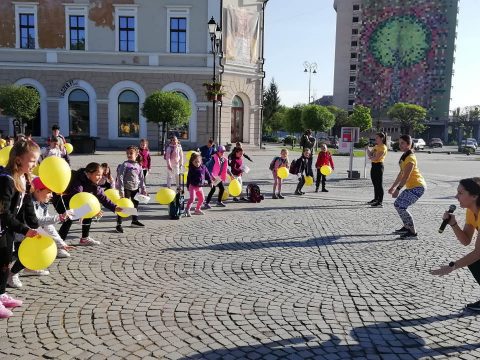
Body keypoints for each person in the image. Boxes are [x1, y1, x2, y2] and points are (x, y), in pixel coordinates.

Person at [7, 177, 74, 289]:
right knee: (34, 249)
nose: (51, 195)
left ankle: (30, 267)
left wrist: (61, 243)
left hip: (28, 233)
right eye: (48, 192)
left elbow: (48, 226)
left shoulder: (41, 203)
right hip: (17, 233)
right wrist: (59, 217)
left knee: (38, 241)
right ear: (37, 191)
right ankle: (12, 274)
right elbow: (36, 221)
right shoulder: (28, 201)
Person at [0, 140, 40, 318]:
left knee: (6, 261)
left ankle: (1, 294)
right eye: (32, 161)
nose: (35, 164)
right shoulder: (6, 181)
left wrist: (35, 226)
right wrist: (24, 230)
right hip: (1, 226)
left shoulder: (24, 178)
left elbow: (27, 205)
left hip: (6, 229)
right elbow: (4, 213)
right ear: (18, 160)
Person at [430, 178, 480, 310]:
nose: (456, 196)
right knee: (474, 263)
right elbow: (466, 241)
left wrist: (452, 266)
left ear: (475, 196)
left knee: (475, 260)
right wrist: (453, 224)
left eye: (460, 193)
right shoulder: (471, 211)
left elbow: (478, 253)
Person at [52, 163, 122, 246]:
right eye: (97, 175)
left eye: (101, 175)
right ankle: (59, 244)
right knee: (69, 219)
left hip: (76, 202)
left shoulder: (94, 184)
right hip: (61, 200)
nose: (100, 177)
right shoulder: (78, 180)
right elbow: (76, 196)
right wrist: (80, 213)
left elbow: (103, 198)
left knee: (90, 209)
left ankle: (84, 239)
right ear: (89, 173)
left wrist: (115, 208)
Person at [388, 135, 426, 239]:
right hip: (412, 186)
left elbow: (406, 176)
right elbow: (401, 174)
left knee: (401, 206)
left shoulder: (410, 158)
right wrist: (393, 187)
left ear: (409, 145)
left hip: (418, 186)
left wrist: (398, 189)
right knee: (398, 204)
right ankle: (406, 227)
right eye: (399, 143)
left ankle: (413, 233)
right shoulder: (405, 156)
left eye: (403, 143)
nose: (400, 145)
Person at [115, 146, 146, 233]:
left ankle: (134, 221)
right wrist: (121, 190)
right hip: (126, 188)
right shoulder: (125, 164)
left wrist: (143, 189)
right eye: (127, 153)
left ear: (136, 154)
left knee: (135, 205)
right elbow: (120, 177)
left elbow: (142, 178)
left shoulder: (139, 165)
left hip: (135, 188)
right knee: (122, 206)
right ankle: (118, 224)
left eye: (131, 153)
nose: (129, 155)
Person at [185, 152, 211, 216]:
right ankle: (187, 209)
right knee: (192, 199)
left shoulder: (203, 167)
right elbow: (188, 178)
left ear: (201, 161)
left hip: (199, 187)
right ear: (192, 162)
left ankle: (197, 209)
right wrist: (188, 186)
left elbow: (208, 175)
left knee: (202, 199)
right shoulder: (191, 169)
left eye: (198, 162)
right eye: (195, 162)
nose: (197, 163)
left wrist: (210, 181)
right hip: (193, 186)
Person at [367, 132, 387, 207]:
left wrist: (372, 158)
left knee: (379, 184)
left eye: (377, 137)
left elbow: (377, 158)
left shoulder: (383, 147)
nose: (375, 139)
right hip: (374, 165)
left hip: (379, 166)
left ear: (381, 138)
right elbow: (370, 155)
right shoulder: (376, 146)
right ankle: (375, 199)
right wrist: (367, 148)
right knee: (375, 184)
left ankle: (380, 202)